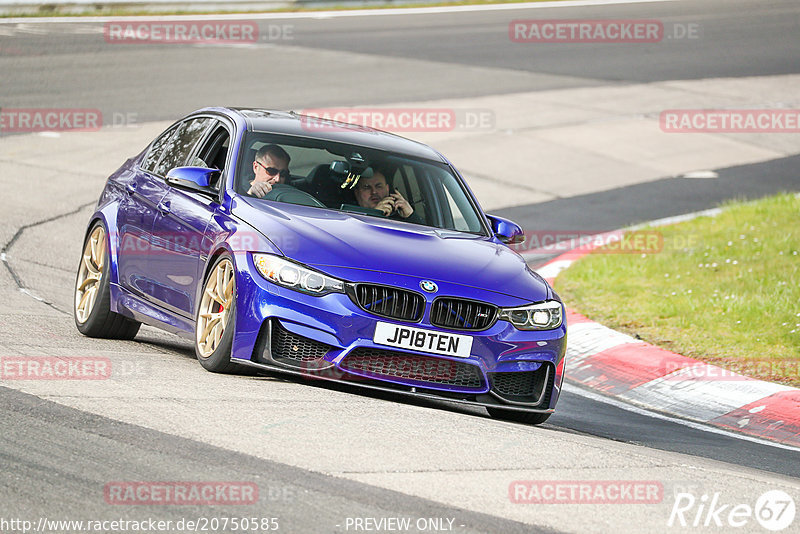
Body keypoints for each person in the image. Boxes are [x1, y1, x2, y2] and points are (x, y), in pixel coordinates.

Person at [354, 168, 419, 222]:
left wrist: (411, 216)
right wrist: (375, 215)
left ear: (387, 189)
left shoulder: (399, 217)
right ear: (357, 193)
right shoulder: (348, 216)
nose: (374, 192)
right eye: (367, 187)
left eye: (379, 186)